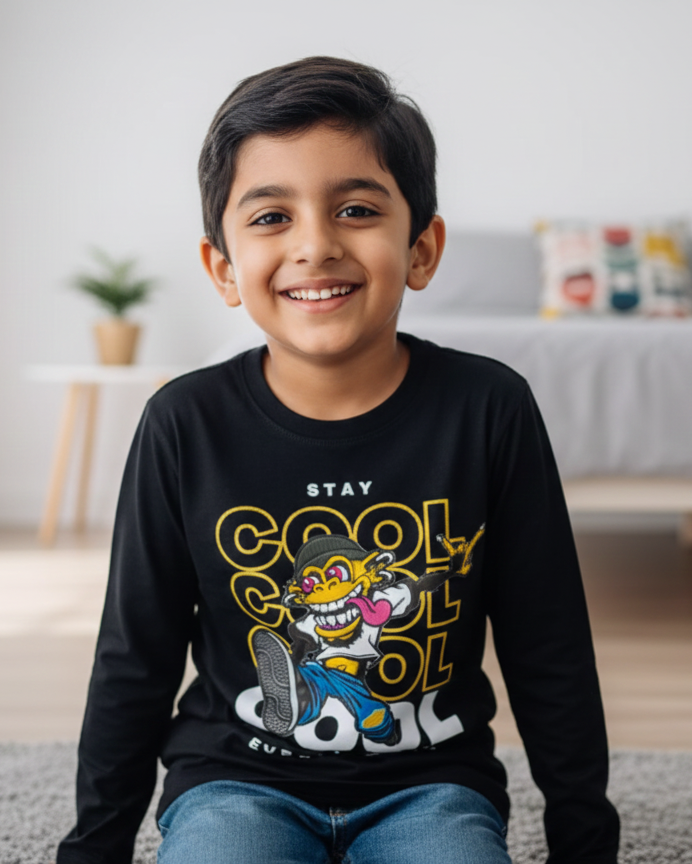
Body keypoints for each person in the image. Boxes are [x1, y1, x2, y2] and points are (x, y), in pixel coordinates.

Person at [57, 56, 619, 864]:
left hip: (431, 787)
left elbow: (549, 643)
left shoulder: (488, 410)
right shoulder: (185, 423)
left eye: (356, 209)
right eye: (271, 217)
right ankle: (290, 693)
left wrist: (585, 841)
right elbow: (133, 656)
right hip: (234, 782)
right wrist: (93, 849)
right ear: (223, 268)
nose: (315, 246)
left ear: (421, 248)